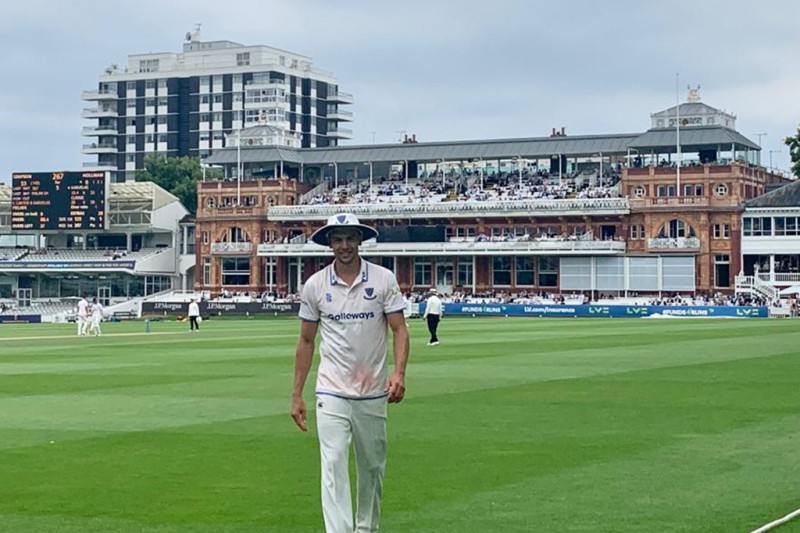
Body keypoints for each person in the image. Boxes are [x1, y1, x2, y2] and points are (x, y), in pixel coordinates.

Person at [292, 212, 409, 533]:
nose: (344, 245)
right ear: (329, 243)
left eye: (350, 238)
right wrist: (296, 394)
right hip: (331, 391)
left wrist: (399, 373)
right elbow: (305, 340)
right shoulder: (315, 285)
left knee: (372, 467)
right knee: (332, 465)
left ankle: (366, 528)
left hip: (373, 391)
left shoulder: (383, 279)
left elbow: (399, 330)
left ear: (360, 240)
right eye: (338, 239)